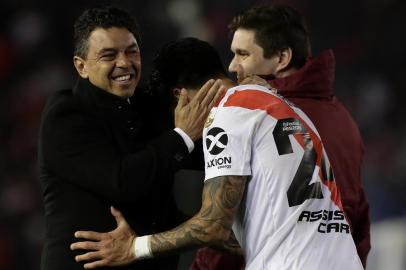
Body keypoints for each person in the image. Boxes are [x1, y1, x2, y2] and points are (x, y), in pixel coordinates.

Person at [70, 37, 364, 270]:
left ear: (180, 95)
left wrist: (134, 248)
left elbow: (212, 227)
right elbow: (265, 228)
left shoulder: (227, 115)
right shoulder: (289, 111)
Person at [38, 7, 223, 270]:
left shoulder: (146, 106)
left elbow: (207, 155)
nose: (124, 63)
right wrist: (182, 136)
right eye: (109, 55)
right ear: (81, 66)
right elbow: (123, 181)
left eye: (131, 51)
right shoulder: (66, 116)